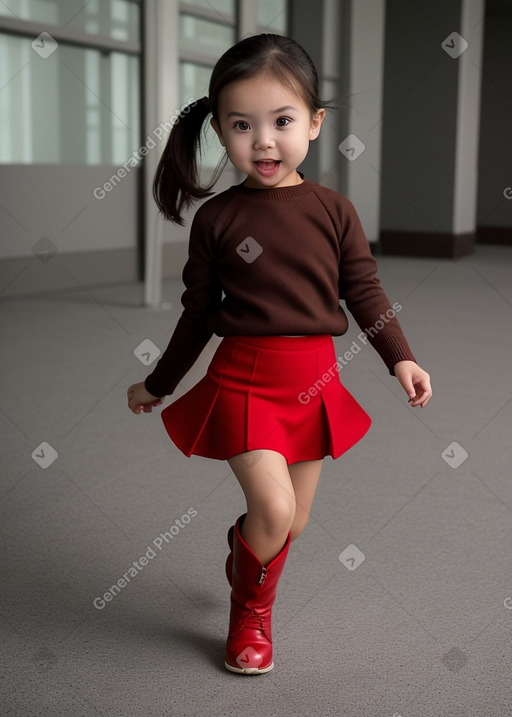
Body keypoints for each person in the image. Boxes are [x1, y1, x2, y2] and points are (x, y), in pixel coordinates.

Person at [127, 33, 432, 675]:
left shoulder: (333, 211)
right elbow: (197, 315)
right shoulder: (216, 221)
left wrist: (399, 356)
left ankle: (243, 554)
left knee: (289, 526)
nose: (263, 141)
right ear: (219, 130)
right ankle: (251, 617)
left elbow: (365, 291)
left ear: (315, 124)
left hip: (314, 381)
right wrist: (159, 382)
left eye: (282, 121)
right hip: (243, 378)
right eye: (242, 125)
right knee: (274, 509)